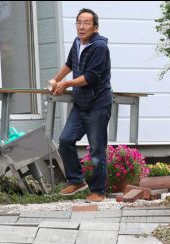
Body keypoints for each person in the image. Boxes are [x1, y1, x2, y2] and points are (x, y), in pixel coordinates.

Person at [49, 8, 112, 203]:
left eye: (86, 23)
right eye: (79, 22)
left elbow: (90, 78)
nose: (81, 26)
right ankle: (76, 180)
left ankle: (98, 191)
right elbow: (69, 64)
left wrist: (65, 84)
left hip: (98, 105)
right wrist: (54, 80)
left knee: (96, 149)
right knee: (65, 140)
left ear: (95, 27)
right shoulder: (77, 43)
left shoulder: (100, 47)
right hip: (80, 104)